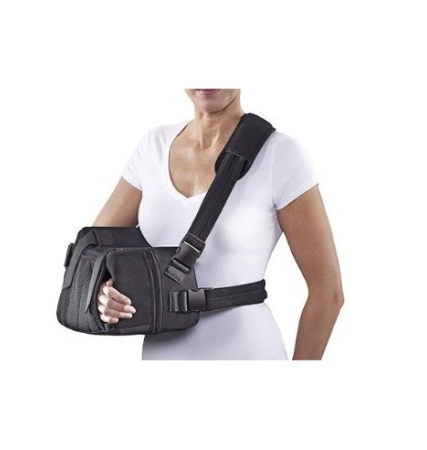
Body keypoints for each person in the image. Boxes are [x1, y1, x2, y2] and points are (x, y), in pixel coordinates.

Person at [92, 89, 344, 360]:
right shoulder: (153, 147)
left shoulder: (280, 154)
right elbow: (92, 252)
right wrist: (101, 289)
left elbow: (328, 294)